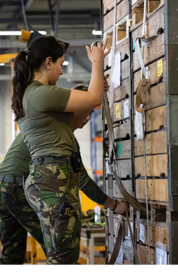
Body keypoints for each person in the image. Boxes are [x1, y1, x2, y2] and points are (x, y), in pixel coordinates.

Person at [0, 82, 128, 267]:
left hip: (1, 188)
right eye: (85, 111)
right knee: (61, 253)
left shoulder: (43, 124)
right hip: (19, 189)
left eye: (91, 113)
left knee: (11, 257)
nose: (88, 118)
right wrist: (113, 205)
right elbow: (81, 179)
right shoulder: (59, 134)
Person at [11, 35, 110, 266]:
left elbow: (73, 122)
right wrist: (97, 62)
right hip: (52, 181)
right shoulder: (41, 93)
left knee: (63, 256)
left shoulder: (35, 94)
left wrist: (96, 85)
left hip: (51, 180)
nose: (62, 72)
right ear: (48, 62)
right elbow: (93, 98)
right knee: (63, 259)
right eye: (60, 64)